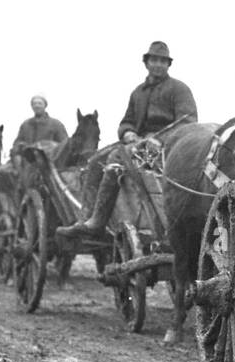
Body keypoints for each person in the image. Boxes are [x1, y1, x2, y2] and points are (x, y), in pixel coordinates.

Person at [59, 42, 198, 238]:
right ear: (146, 63)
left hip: (169, 145)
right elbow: (126, 122)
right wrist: (128, 133)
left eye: (162, 61)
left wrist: (161, 140)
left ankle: (106, 220)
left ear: (168, 65)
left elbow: (188, 122)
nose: (158, 65)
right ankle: (91, 219)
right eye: (154, 60)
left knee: (117, 155)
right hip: (136, 143)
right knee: (96, 161)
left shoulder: (179, 89)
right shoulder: (138, 93)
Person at [10, 95, 68, 159]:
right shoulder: (25, 125)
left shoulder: (56, 124)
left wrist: (49, 146)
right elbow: (17, 142)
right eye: (34, 104)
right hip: (28, 159)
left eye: (40, 103)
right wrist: (22, 146)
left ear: (45, 105)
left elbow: (64, 145)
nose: (37, 106)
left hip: (49, 160)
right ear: (32, 106)